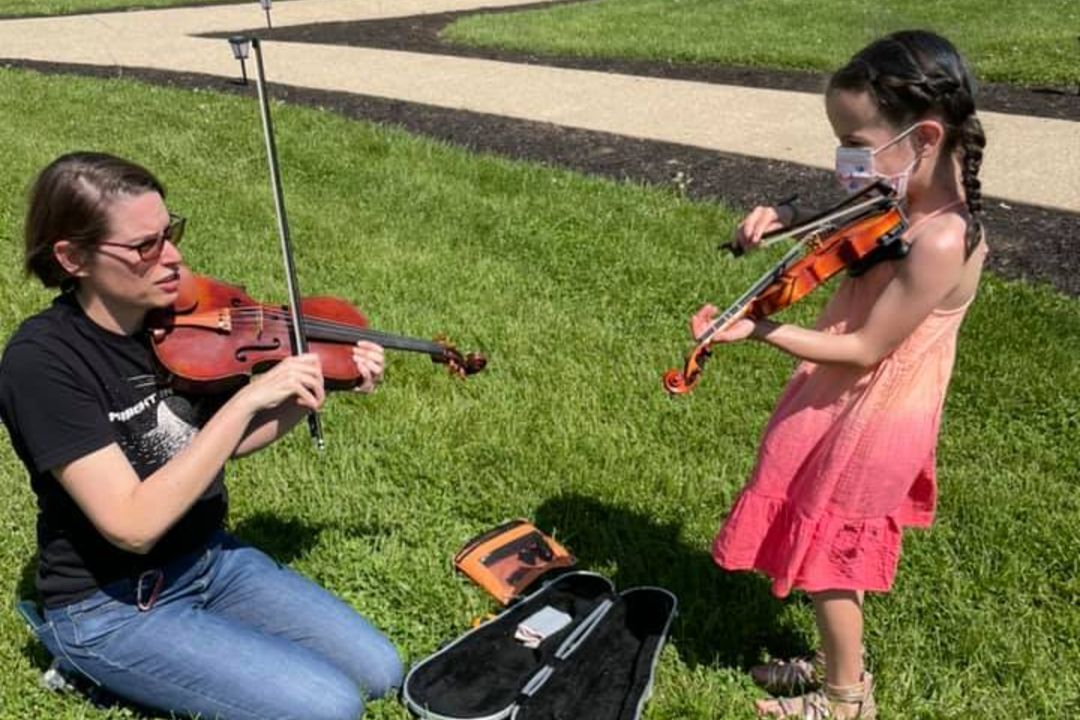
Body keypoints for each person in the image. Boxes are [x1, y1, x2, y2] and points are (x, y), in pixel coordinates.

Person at [0, 152, 403, 720]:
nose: (173, 257)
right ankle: (80, 662)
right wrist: (245, 401)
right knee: (330, 708)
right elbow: (132, 526)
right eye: (145, 247)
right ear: (73, 257)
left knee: (381, 671)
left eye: (170, 233)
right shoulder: (42, 363)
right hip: (113, 604)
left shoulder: (175, 322)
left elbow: (225, 443)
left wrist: (318, 382)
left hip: (209, 559)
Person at [694, 31, 988, 719]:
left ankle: (846, 700)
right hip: (846, 401)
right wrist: (780, 219)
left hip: (878, 414)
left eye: (855, 141)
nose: (846, 162)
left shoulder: (942, 236)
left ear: (923, 136)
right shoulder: (899, 196)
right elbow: (840, 217)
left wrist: (759, 327)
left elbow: (863, 348)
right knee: (817, 534)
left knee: (830, 560)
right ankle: (836, 659)